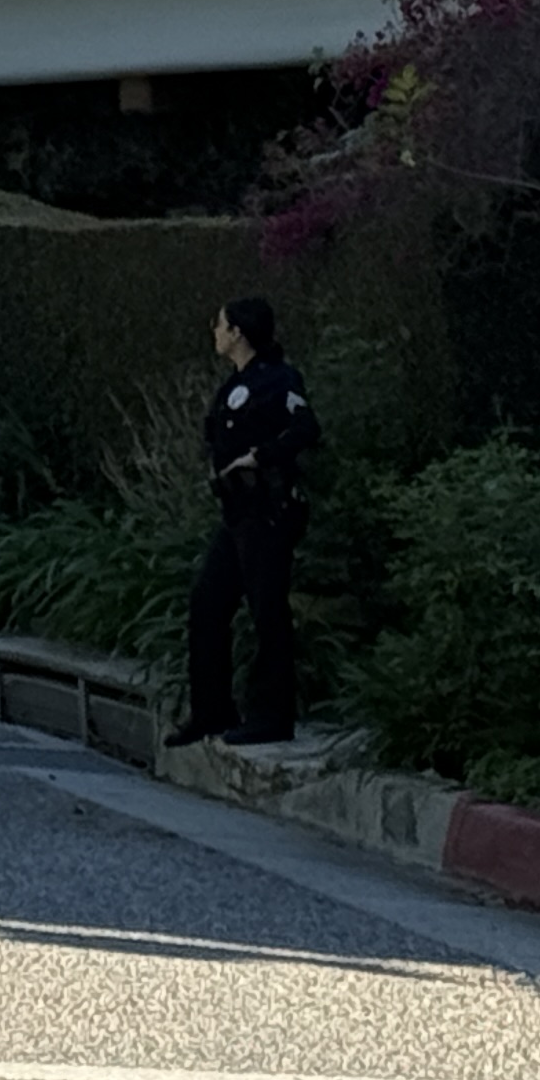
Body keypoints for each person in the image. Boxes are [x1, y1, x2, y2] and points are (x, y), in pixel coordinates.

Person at [169, 296, 321, 749]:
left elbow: (305, 428)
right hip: (237, 513)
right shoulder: (234, 384)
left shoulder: (278, 379)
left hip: (268, 511)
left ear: (238, 332)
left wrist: (262, 456)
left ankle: (272, 715)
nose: (214, 331)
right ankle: (211, 709)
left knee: (267, 610)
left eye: (220, 324)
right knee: (207, 603)